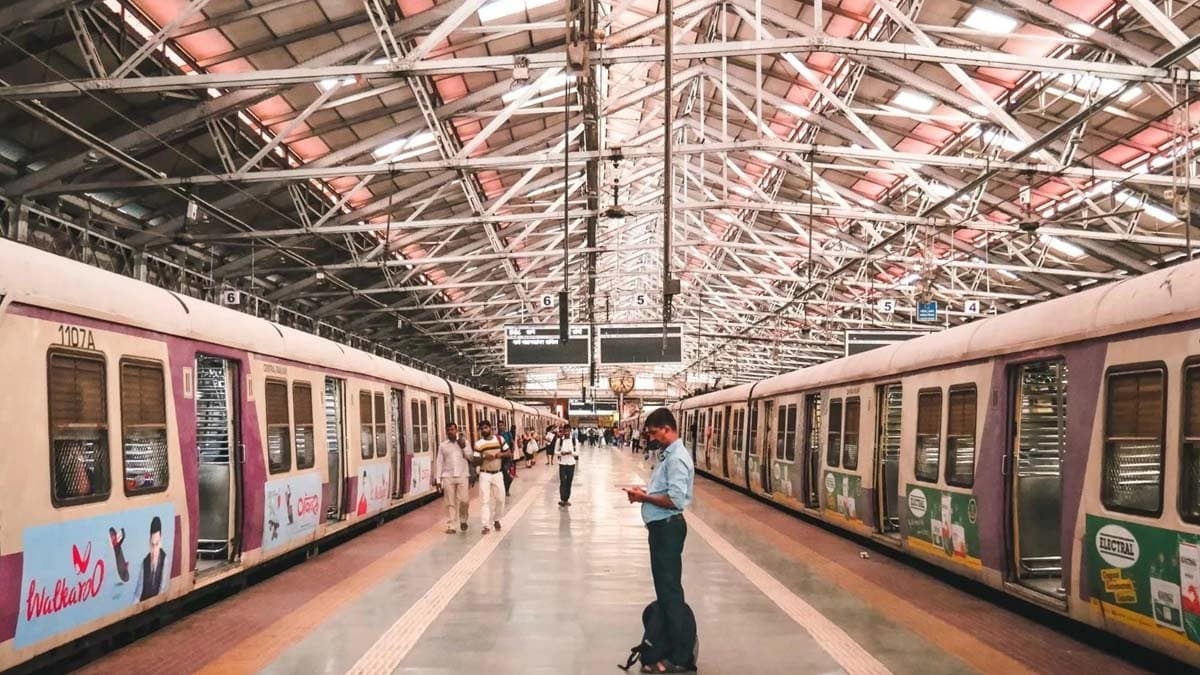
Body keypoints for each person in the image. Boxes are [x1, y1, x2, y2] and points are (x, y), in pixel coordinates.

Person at [623, 409, 695, 673]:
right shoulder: (671, 456)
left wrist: (644, 498)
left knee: (670, 594)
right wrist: (645, 493)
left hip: (667, 530)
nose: (652, 438)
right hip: (663, 529)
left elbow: (675, 500)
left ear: (666, 429)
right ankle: (671, 648)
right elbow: (666, 493)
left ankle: (681, 657)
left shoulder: (676, 459)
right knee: (667, 592)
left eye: (654, 433)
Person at [433, 422, 471, 534]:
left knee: (464, 500)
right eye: (449, 430)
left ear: (456, 430)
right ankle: (452, 525)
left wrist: (463, 446)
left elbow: (470, 456)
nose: (451, 432)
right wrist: (438, 479)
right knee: (450, 502)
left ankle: (463, 519)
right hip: (447, 476)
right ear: (446, 431)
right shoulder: (443, 445)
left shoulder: (465, 442)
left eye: (453, 429)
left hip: (463, 475)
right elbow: (439, 462)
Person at [474, 420, 510, 534]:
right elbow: (475, 461)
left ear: (490, 428)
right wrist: (484, 457)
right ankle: (486, 525)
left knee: (501, 498)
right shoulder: (478, 444)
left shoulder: (500, 440)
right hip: (485, 473)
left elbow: (509, 453)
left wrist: (501, 454)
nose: (484, 430)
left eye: (486, 428)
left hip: (498, 473)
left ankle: (496, 519)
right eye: (482, 429)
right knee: (485, 500)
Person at [132, 516, 167, 603]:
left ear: (161, 542)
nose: (154, 550)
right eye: (152, 544)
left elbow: (162, 590)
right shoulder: (144, 563)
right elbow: (138, 593)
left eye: (157, 544)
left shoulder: (165, 560)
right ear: (149, 542)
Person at [557, 424, 579, 506]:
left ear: (570, 431)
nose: (566, 432)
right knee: (563, 481)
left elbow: (577, 453)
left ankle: (566, 499)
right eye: (565, 431)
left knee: (569, 482)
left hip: (571, 464)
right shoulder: (560, 441)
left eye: (568, 431)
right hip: (562, 463)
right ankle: (562, 499)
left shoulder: (574, 441)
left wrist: (571, 453)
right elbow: (556, 451)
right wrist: (560, 453)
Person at [499, 422, 517, 497]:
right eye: (499, 426)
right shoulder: (497, 436)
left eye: (502, 425)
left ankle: (507, 489)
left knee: (510, 475)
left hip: (508, 457)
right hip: (500, 458)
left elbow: (512, 443)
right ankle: (504, 490)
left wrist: (512, 454)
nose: (500, 427)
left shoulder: (508, 434)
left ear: (505, 426)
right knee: (503, 475)